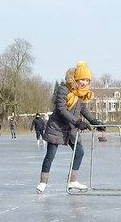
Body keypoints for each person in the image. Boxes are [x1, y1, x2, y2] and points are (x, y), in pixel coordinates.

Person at [36, 61, 105, 193]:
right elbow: (61, 110)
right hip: (57, 127)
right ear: (76, 79)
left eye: (87, 80)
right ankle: (43, 182)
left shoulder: (82, 93)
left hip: (71, 129)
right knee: (50, 155)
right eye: (82, 79)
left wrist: (95, 122)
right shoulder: (64, 89)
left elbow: (83, 109)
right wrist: (78, 122)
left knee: (79, 153)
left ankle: (72, 181)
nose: (84, 82)